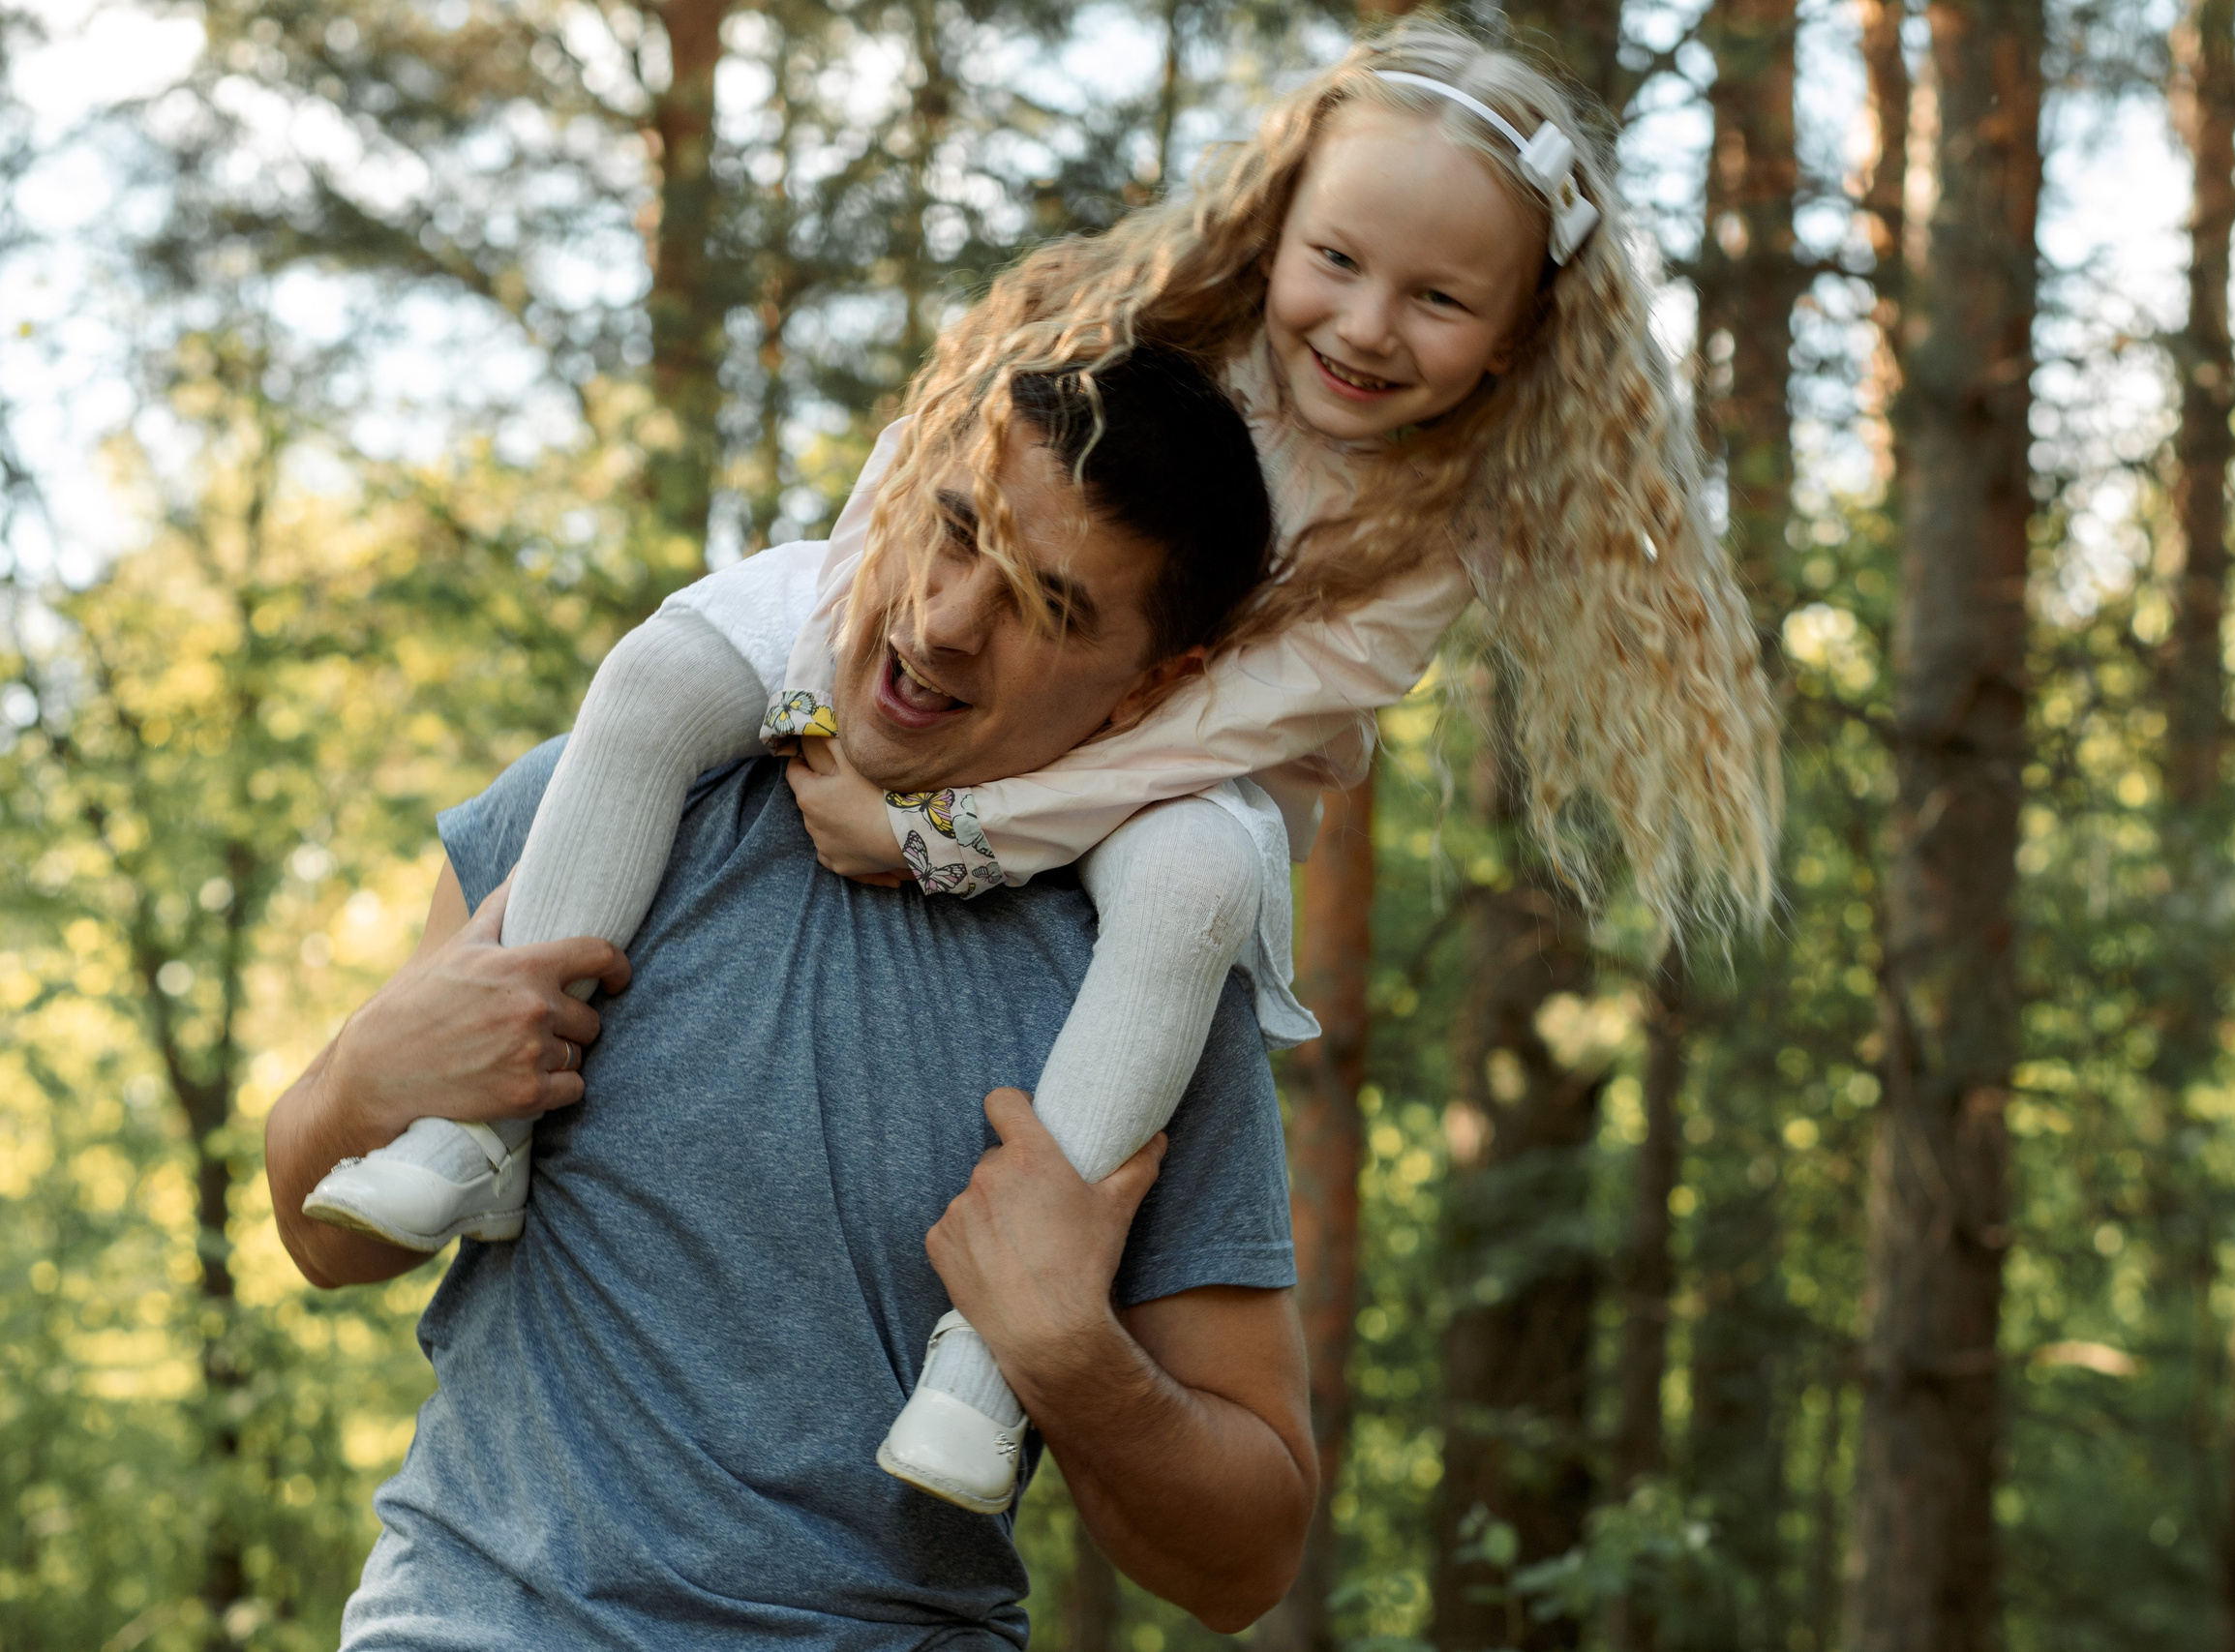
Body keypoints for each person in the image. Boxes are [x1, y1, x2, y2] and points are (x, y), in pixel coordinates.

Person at [303, 16, 1781, 1517]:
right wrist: (840, 690)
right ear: (1279, 223)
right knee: (664, 669)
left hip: (1145, 780)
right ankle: (475, 1122)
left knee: (1206, 878)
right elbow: (930, 472)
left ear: (1519, 333)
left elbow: (1204, 729)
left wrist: (946, 833)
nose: (1367, 324)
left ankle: (988, 1365)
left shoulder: (1428, 546)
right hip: (878, 652)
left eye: (1441, 299)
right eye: (1336, 261)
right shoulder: (1146, 317)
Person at [266, 343, 1314, 1647]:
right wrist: (359, 1080)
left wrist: (1066, 1357)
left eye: (1046, 606)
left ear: (1151, 686)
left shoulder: (1146, 992)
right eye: (952, 529)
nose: (940, 619)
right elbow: (327, 1241)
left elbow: (1247, 1562)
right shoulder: (605, 808)